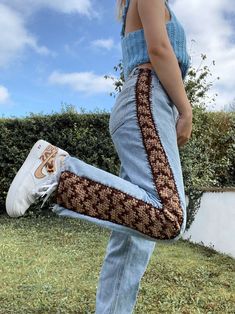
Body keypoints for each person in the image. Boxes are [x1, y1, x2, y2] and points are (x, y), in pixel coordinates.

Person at [5, 0, 192, 313]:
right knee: (169, 217)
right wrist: (186, 109)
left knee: (134, 234)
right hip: (149, 97)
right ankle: (56, 169)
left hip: (145, 100)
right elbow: (159, 48)